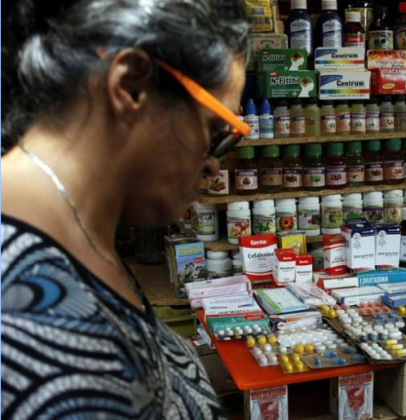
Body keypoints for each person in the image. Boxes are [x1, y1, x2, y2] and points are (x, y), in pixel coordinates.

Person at [1, 0, 251, 418]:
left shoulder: (77, 228)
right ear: (131, 86)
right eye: (213, 131)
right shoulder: (28, 310)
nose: (212, 164)